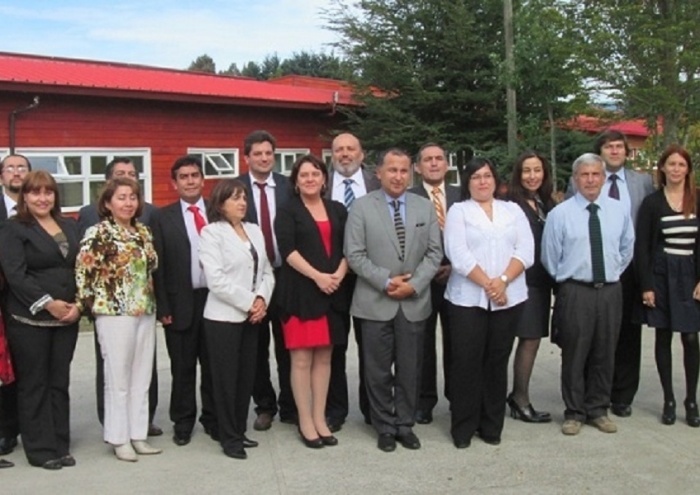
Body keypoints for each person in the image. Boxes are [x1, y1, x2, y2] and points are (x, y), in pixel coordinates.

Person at [344, 148, 442, 453]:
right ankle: (384, 426)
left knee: (411, 369)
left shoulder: (423, 207)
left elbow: (434, 253)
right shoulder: (361, 207)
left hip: (414, 302)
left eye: (403, 171)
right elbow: (355, 254)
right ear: (379, 173)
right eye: (392, 170)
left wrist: (413, 285)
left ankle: (405, 424)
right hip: (374, 301)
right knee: (377, 370)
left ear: (410, 173)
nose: (398, 176)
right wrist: (386, 281)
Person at [443, 157, 533, 448]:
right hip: (468, 300)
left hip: (509, 298)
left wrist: (503, 281)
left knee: (496, 362)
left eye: (487, 176)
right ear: (467, 183)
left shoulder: (513, 210)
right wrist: (489, 285)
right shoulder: (459, 211)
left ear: (496, 180)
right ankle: (463, 427)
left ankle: (491, 426)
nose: (482, 182)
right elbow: (458, 254)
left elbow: (526, 250)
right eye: (476, 177)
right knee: (466, 364)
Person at [543, 153, 634, 436]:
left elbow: (626, 248)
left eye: (596, 174)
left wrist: (611, 271)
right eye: (585, 175)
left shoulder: (619, 210)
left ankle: (598, 409)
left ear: (604, 178)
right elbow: (549, 257)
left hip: (609, 291)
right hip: (575, 291)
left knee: (605, 351)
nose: (591, 180)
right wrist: (570, 278)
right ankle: (574, 412)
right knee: (575, 352)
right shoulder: (560, 214)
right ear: (575, 179)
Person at [566, 131, 654, 417]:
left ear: (626, 152)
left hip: (628, 267)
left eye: (619, 147)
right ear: (600, 151)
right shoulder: (581, 180)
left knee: (628, 333)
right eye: (609, 146)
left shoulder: (643, 181)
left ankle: (622, 395)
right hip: (590, 266)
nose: (615, 151)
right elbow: (568, 222)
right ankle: (591, 394)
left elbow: (647, 225)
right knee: (592, 336)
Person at [75, 177, 161, 461]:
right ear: (108, 203)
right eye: (122, 197)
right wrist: (86, 306)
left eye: (133, 197)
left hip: (144, 310)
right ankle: (118, 437)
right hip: (113, 312)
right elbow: (84, 272)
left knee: (141, 376)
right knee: (118, 377)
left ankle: (138, 434)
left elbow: (151, 268)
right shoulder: (98, 233)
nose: (128, 203)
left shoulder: (143, 232)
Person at [0, 171, 81, 469]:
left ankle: (60, 443)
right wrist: (49, 304)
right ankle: (40, 449)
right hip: (29, 319)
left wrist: (77, 306)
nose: (42, 198)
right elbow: (15, 274)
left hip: (67, 319)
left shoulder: (69, 226)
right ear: (25, 197)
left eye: (48, 192)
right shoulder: (13, 228)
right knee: (35, 383)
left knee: (59, 382)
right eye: (35, 193)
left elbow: (80, 268)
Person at [275, 154, 348, 448]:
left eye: (315, 174)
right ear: (296, 181)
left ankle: (320, 418)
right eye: (303, 175)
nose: (310, 179)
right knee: (302, 359)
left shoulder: (338, 209)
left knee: (325, 358)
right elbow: (288, 251)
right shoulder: (288, 210)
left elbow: (349, 247)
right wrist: (318, 276)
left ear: (324, 179)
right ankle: (305, 421)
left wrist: (338, 275)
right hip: (300, 294)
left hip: (333, 292)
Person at [199, 179, 274, 460]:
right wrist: (248, 302)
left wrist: (262, 300)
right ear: (220, 204)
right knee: (226, 380)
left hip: (252, 317)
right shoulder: (211, 233)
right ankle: (228, 437)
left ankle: (239, 431)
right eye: (234, 198)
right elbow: (215, 280)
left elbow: (266, 272)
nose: (242, 202)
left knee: (245, 378)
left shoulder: (255, 230)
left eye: (244, 197)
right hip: (223, 318)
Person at [152, 156, 216, 446]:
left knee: (214, 364)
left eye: (194, 175)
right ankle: (183, 421)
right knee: (183, 367)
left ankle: (214, 418)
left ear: (203, 180)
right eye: (184, 177)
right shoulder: (162, 218)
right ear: (174, 183)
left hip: (216, 300)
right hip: (179, 304)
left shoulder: (217, 213)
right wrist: (163, 307)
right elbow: (159, 266)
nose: (190, 181)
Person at [635, 145, 700, 427]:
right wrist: (646, 285)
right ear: (662, 168)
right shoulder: (652, 203)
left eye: (681, 165)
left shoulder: (697, 199)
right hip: (661, 275)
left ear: (688, 170)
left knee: (690, 338)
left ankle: (691, 400)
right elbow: (643, 247)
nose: (675, 169)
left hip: (690, 274)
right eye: (671, 164)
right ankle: (669, 400)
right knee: (663, 337)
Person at [236, 130, 296, 431]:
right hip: (251, 280)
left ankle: (290, 404)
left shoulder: (288, 186)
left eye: (268, 153)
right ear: (246, 157)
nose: (263, 158)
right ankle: (264, 405)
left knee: (288, 343)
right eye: (257, 154)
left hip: (286, 275)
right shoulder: (235, 189)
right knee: (256, 347)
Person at [324, 132, 380, 430]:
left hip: (371, 277)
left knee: (371, 346)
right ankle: (336, 409)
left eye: (351, 149)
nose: (345, 154)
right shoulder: (321, 184)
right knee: (335, 346)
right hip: (332, 279)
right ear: (332, 155)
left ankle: (373, 409)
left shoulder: (377, 182)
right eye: (339, 150)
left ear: (362, 154)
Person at [408, 143, 461, 425]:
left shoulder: (461, 195)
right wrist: (425, 271)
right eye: (427, 160)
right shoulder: (408, 197)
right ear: (417, 167)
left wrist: (455, 266)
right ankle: (424, 401)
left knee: (457, 342)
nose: (434, 163)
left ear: (446, 165)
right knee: (422, 345)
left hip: (458, 279)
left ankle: (456, 397)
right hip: (423, 281)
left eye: (439, 159)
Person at [506, 151, 556, 423]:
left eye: (537, 170)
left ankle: (519, 395)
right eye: (527, 171)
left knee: (532, 339)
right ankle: (518, 399)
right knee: (518, 339)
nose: (532, 176)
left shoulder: (545, 202)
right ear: (518, 174)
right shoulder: (510, 203)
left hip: (540, 282)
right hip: (517, 280)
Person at [0, 153, 31, 466]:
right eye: (10, 168)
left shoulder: (39, 209)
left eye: (22, 167)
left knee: (24, 365)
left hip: (28, 300)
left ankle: (26, 425)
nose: (16, 172)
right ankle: (6, 430)